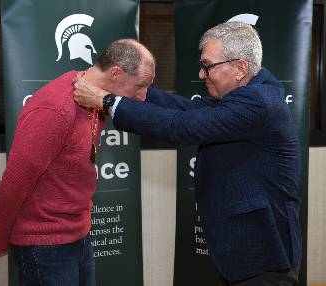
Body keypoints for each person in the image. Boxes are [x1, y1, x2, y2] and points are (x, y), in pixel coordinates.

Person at [73, 21, 302, 286]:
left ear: (240, 67)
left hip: (263, 254)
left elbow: (183, 126)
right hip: (244, 250)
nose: (202, 74)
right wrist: (138, 92)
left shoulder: (258, 103)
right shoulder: (248, 93)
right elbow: (187, 109)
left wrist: (107, 101)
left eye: (208, 66)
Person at [0, 39, 155, 286]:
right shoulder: (54, 108)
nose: (143, 97)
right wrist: (1, 238)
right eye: (140, 86)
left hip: (78, 235)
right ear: (116, 73)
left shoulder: (95, 101)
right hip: (44, 243)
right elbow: (14, 182)